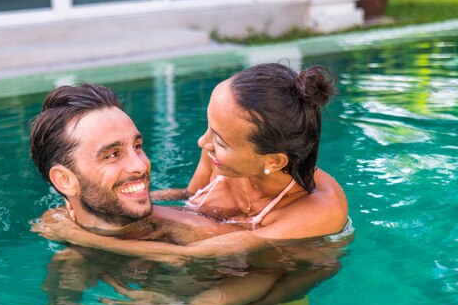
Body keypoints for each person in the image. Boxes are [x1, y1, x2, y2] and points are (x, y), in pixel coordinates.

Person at [37, 63, 349, 262]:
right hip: (200, 254)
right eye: (210, 127)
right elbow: (190, 196)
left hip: (275, 276)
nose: (203, 142)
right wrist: (132, 197)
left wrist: (80, 236)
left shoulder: (320, 208)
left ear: (272, 160)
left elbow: (195, 254)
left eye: (220, 140)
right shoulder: (219, 155)